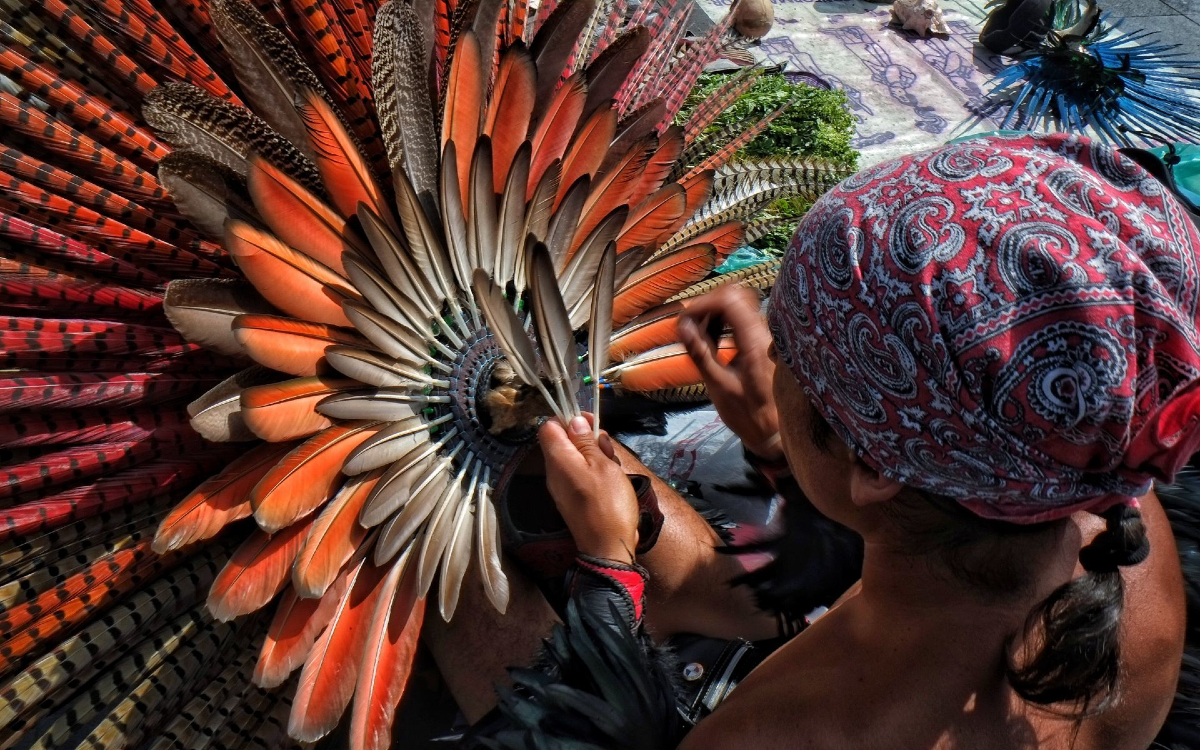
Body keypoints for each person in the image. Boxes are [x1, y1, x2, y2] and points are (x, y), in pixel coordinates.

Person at [463, 132, 1199, 748]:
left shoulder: (792, 732)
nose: (770, 360)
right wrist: (789, 454)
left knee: (451, 559)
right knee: (572, 458)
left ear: (870, 467)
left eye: (787, 351)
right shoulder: (1109, 507)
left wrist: (608, 571)